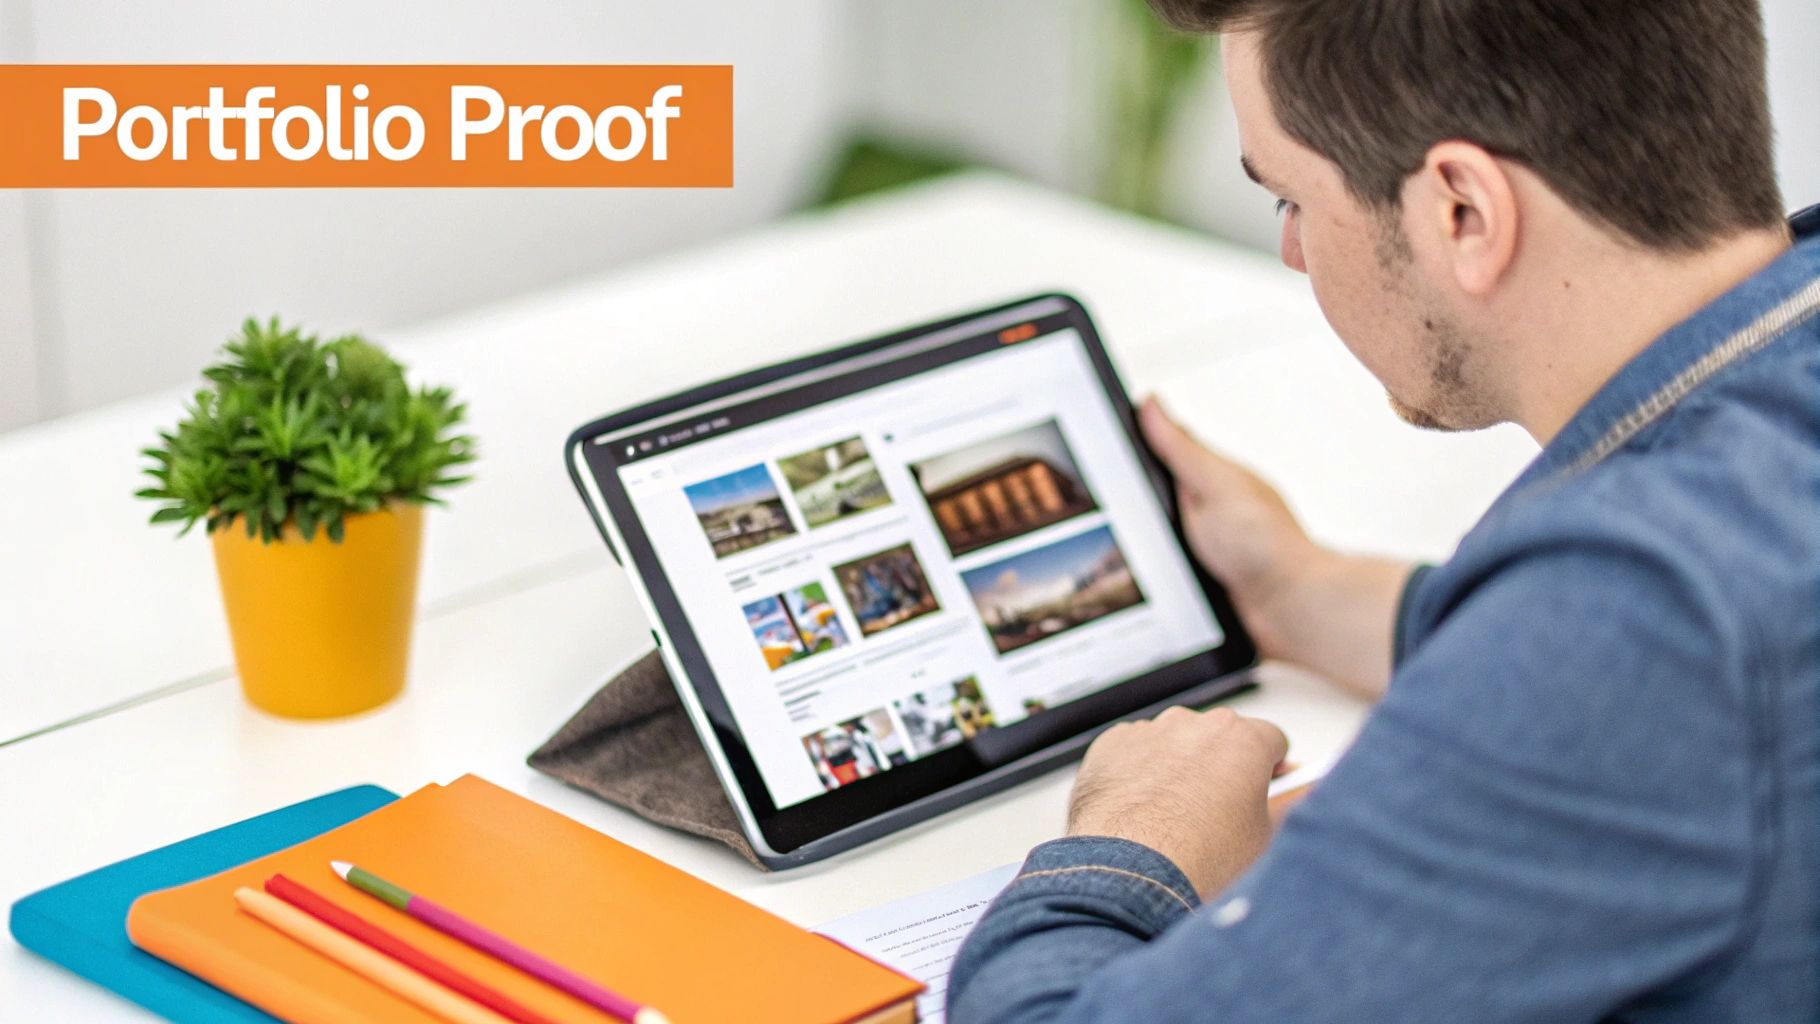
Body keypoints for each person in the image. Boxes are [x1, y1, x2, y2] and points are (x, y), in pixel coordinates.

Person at [948, 1, 1819, 1020]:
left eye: (1288, 198)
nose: (1290, 251)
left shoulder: (1633, 625)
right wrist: (1304, 593)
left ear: (1461, 211)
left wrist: (1132, 843)